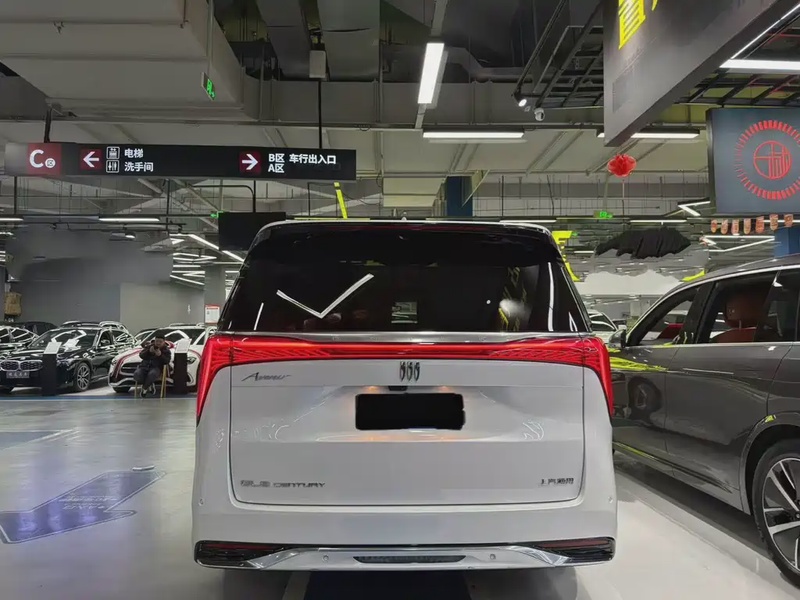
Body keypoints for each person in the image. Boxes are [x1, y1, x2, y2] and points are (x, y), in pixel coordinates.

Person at [133, 332, 171, 397]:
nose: (158, 343)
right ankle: (149, 384)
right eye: (157, 341)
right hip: (144, 366)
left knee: (152, 374)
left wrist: (160, 355)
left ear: (164, 342)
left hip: (156, 368)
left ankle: (144, 389)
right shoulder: (149, 346)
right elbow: (141, 355)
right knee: (137, 375)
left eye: (160, 342)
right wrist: (148, 352)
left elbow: (167, 361)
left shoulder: (166, 350)